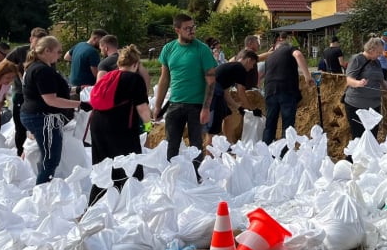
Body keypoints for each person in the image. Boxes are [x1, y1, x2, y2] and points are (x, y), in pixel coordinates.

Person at [87, 45, 152, 207]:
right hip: (120, 127)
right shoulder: (134, 79)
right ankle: (128, 205)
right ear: (136, 64)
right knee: (130, 165)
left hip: (97, 125)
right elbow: (143, 108)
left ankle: (95, 206)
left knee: (103, 167)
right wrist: (149, 128)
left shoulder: (107, 77)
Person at [152, 13, 217, 174]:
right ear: (177, 30)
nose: (192, 31)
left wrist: (206, 108)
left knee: (195, 145)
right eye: (187, 28)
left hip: (196, 106)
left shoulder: (202, 49)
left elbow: (211, 80)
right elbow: (164, 79)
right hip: (175, 104)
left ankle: (196, 178)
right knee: (171, 144)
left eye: (193, 27)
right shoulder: (169, 49)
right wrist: (158, 106)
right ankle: (172, 178)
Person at [21, 36, 82, 185]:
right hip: (43, 118)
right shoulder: (42, 70)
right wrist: (79, 104)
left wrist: (76, 90)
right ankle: (42, 190)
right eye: (58, 51)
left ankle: (43, 187)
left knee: (48, 157)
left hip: (37, 116)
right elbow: (51, 99)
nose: (60, 55)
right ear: (47, 51)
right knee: (51, 159)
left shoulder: (37, 67)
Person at [262, 32, 315, 145]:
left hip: (270, 90)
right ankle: (284, 153)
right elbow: (298, 55)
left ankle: (265, 152)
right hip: (286, 89)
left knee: (270, 123)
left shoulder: (270, 57)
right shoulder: (289, 48)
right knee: (287, 125)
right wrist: (307, 76)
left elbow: (262, 74)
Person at [343, 37, 387, 141]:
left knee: (372, 138)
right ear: (371, 49)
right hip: (356, 106)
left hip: (374, 106)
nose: (380, 55)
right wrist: (358, 83)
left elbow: (380, 80)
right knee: (359, 138)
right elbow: (349, 80)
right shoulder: (357, 59)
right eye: (379, 52)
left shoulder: (377, 62)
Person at [6, 27, 48, 156]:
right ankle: (20, 153)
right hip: (20, 92)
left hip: (38, 94)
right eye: (37, 41)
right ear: (31, 39)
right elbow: (5, 64)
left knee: (35, 127)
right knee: (20, 127)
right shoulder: (20, 51)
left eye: (43, 41)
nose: (40, 44)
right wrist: (18, 73)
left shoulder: (46, 53)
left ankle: (33, 153)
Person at [210, 50, 259, 142]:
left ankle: (228, 143)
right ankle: (210, 154)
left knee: (228, 117)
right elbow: (241, 92)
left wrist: (239, 107)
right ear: (248, 60)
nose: (252, 67)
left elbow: (226, 93)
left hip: (215, 92)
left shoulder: (232, 68)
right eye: (252, 64)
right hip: (212, 94)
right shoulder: (240, 68)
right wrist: (252, 109)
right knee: (213, 129)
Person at [65, 29, 107, 94]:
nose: (102, 44)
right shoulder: (93, 52)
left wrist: (79, 61)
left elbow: (66, 57)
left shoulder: (79, 45)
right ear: (95, 38)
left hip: (73, 85)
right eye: (101, 41)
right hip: (85, 88)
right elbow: (96, 73)